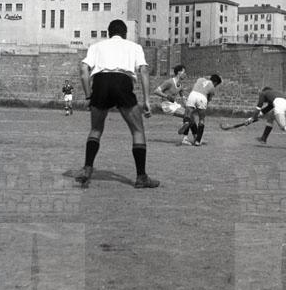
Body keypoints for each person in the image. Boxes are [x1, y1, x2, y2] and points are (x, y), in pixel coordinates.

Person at [74, 19, 159, 188]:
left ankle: (87, 168)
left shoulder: (96, 46)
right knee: (137, 130)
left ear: (108, 33)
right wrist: (146, 100)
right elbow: (143, 70)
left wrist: (89, 96)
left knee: (96, 129)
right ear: (125, 34)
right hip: (122, 81)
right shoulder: (134, 47)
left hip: (100, 82)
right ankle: (141, 177)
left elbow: (83, 69)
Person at [177, 74, 222, 146]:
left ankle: (186, 123)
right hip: (202, 97)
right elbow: (208, 100)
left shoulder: (200, 79)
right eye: (216, 85)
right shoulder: (212, 88)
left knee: (188, 115)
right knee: (201, 119)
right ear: (215, 82)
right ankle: (198, 141)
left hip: (192, 95)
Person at [154, 64, 190, 145]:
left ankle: (185, 138)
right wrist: (167, 96)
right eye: (184, 72)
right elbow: (156, 91)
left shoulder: (180, 85)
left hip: (174, 104)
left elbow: (183, 98)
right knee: (187, 116)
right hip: (166, 105)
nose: (185, 74)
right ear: (179, 72)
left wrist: (188, 106)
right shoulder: (169, 82)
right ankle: (184, 131)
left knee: (189, 115)